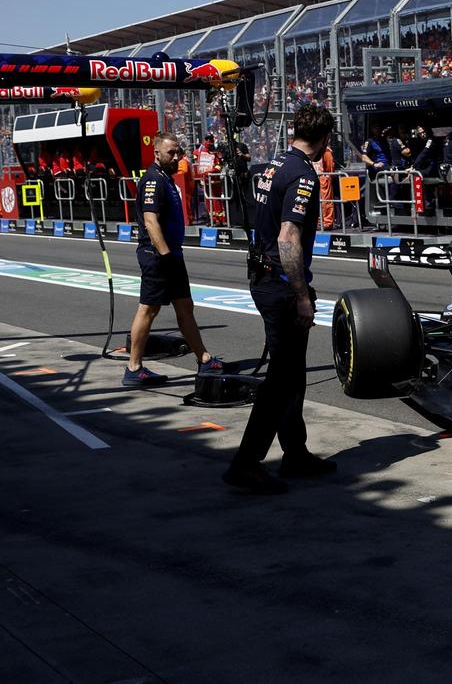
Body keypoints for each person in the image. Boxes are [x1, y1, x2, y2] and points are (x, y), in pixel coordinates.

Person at [223, 104, 339, 494]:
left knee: (292, 373)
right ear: (325, 140)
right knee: (281, 378)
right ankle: (246, 463)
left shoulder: (272, 166)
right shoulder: (303, 175)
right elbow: (288, 237)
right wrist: (301, 295)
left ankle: (295, 453)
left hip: (263, 275)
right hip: (280, 284)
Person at [124, 132, 223, 387]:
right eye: (171, 152)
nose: (177, 156)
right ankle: (133, 367)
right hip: (157, 255)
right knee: (148, 308)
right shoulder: (153, 180)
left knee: (185, 307)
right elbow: (150, 220)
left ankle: (204, 358)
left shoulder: (166, 178)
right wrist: (165, 256)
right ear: (157, 154)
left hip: (171, 254)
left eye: (178, 151)